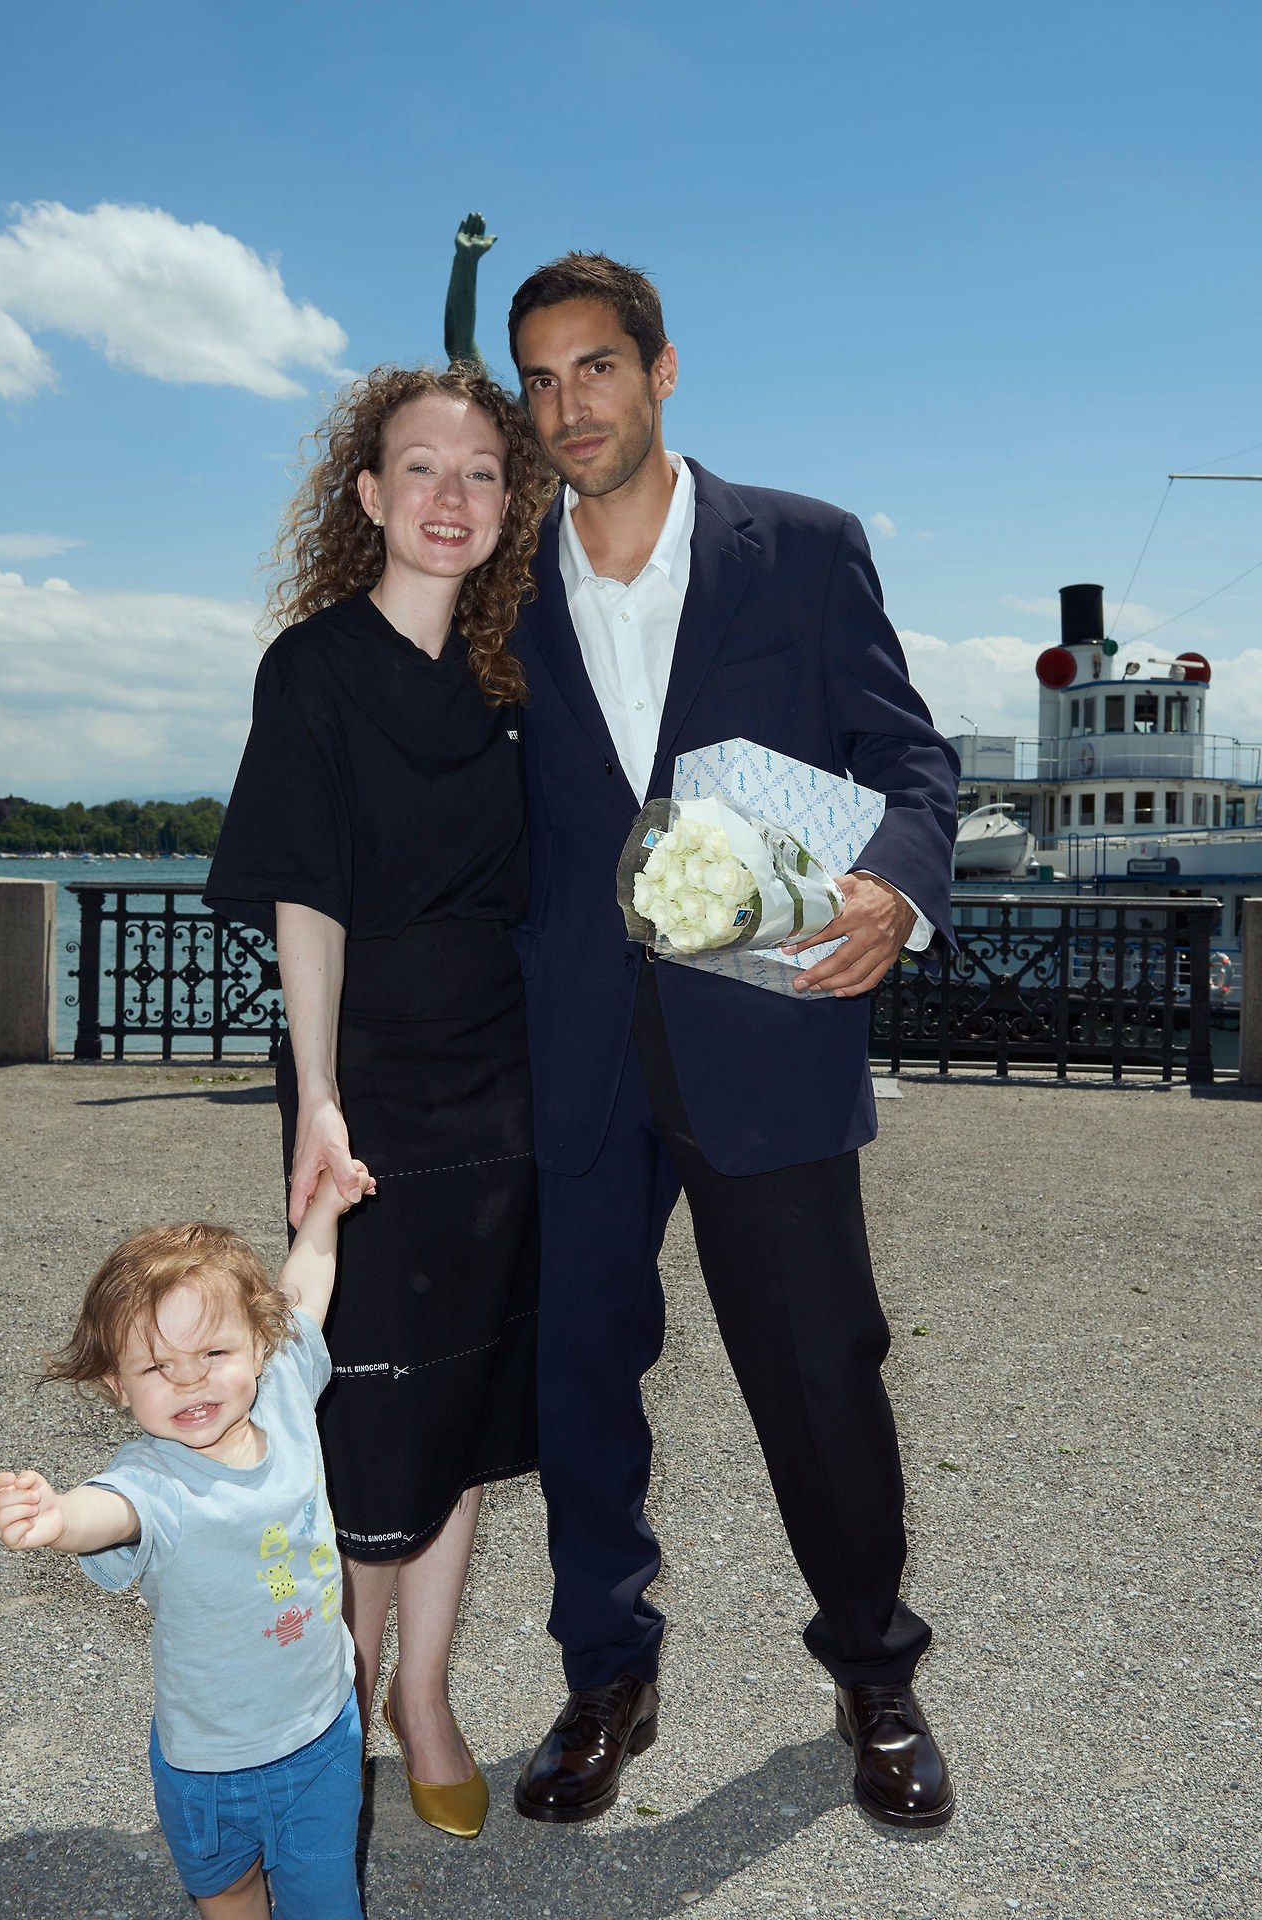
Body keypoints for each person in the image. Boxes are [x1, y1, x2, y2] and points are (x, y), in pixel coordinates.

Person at [504, 255, 962, 1831]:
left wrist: (895, 887)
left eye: (596, 368)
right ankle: (604, 1676)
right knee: (579, 1375)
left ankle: (875, 1674)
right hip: (573, 1046)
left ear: (662, 370)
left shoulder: (806, 548)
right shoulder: (500, 581)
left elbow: (910, 760)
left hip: (770, 1033)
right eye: (541, 380)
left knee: (821, 1371)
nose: (569, 406)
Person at [204, 364, 556, 1836]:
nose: (450, 497)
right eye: (422, 467)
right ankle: (338, 1697)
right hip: (370, 1079)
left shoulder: (518, 676)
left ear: (508, 504)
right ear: (368, 493)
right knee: (366, 1405)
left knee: (464, 1396)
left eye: (481, 471)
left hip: (504, 1078)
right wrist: (319, 1101)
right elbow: (308, 893)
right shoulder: (316, 668)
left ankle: (423, 1693)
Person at [0, 1169, 372, 1920]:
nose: (191, 1382)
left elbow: (302, 1292)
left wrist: (325, 1211)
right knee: (224, 1889)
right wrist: (58, 1517)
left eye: (213, 1354)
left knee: (325, 1895)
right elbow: (110, 1511)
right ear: (117, 1386)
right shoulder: (154, 1479)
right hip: (208, 1763)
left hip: (322, 1729)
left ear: (260, 1344)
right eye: (159, 1367)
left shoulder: (284, 1391)